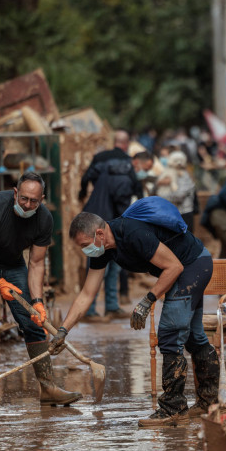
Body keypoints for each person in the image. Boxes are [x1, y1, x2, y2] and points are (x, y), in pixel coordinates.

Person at [51, 209, 219, 427]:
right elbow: (86, 294)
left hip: (193, 264)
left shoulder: (132, 233)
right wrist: (63, 330)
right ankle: (209, 402)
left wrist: (147, 301)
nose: (85, 251)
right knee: (194, 337)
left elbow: (174, 266)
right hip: (185, 268)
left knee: (170, 333)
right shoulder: (102, 250)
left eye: (85, 245)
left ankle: (173, 408)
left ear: (99, 234)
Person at [0, 172, 81, 410]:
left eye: (34, 201)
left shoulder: (44, 220)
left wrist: (37, 301)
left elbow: (36, 263)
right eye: (24, 198)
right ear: (16, 192)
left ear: (42, 199)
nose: (28, 205)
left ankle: (47, 388)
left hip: (13, 263)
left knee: (35, 321)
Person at [79, 135, 147, 323]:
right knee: (99, 266)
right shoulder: (125, 179)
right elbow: (122, 205)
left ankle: (111, 306)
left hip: (98, 219)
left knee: (114, 265)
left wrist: (82, 193)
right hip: (100, 224)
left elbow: (85, 179)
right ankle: (90, 311)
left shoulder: (105, 169)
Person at [156, 150, 197, 231]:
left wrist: (163, 197)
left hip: (183, 212)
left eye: (181, 161)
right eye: (176, 161)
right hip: (172, 212)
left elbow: (179, 195)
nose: (179, 163)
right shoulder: (167, 172)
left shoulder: (185, 175)